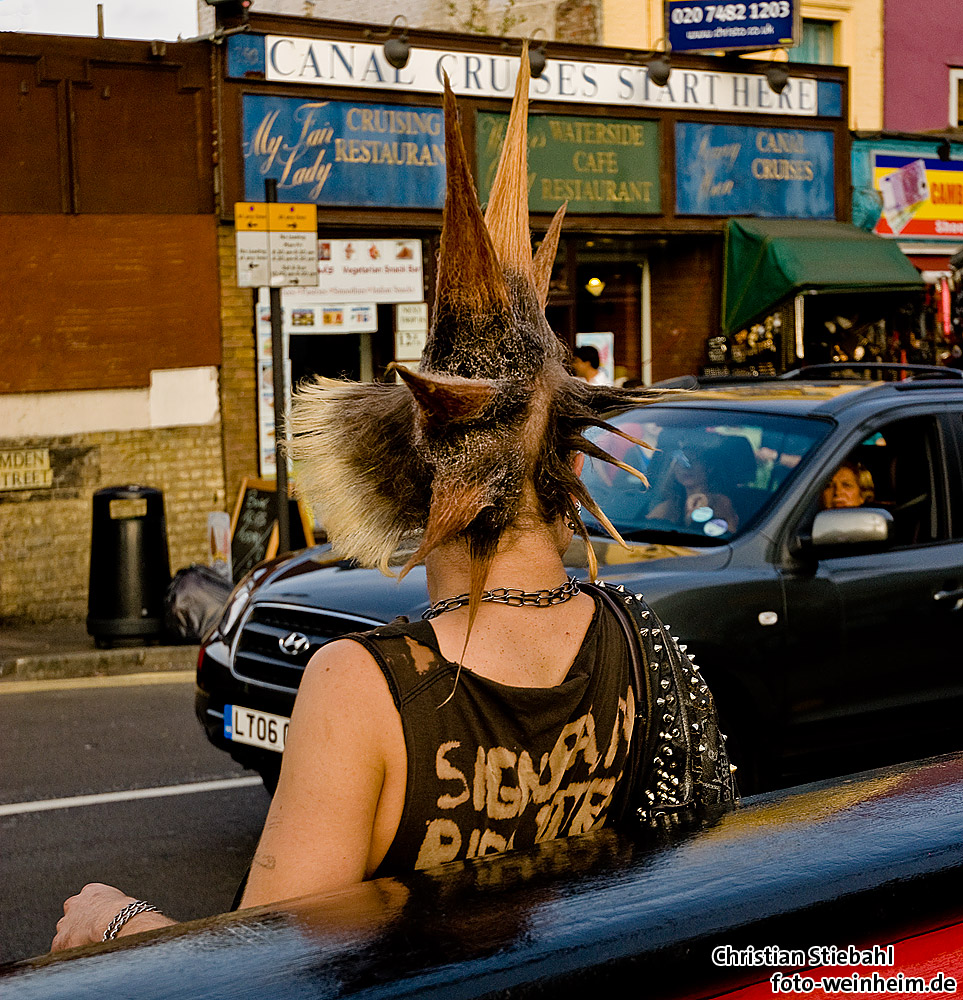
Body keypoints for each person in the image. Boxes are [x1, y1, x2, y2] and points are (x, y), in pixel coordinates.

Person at [51, 51, 735, 952]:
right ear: (569, 468)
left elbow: (271, 974)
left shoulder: (359, 689)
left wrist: (120, 924)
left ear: (412, 478)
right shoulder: (636, 644)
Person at [647, 446, 739, 533]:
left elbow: (730, 534)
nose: (687, 467)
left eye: (694, 461)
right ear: (674, 469)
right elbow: (645, 528)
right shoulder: (668, 506)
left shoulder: (721, 502)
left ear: (709, 468)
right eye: (681, 461)